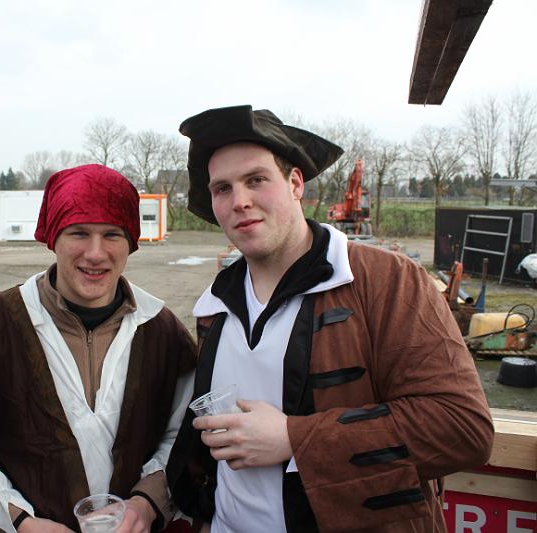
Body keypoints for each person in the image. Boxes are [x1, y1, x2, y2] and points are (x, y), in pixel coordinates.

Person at [165, 105, 494, 532]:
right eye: (222, 188)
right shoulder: (214, 305)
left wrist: (294, 439)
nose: (240, 201)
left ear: (295, 183)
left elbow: (462, 428)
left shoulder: (385, 281)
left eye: (256, 179)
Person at [0, 164, 197, 532]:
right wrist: (20, 520)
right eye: (79, 233)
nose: (95, 253)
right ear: (53, 237)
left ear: (131, 242)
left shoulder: (162, 331)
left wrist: (147, 501)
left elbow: (181, 436)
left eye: (112, 234)